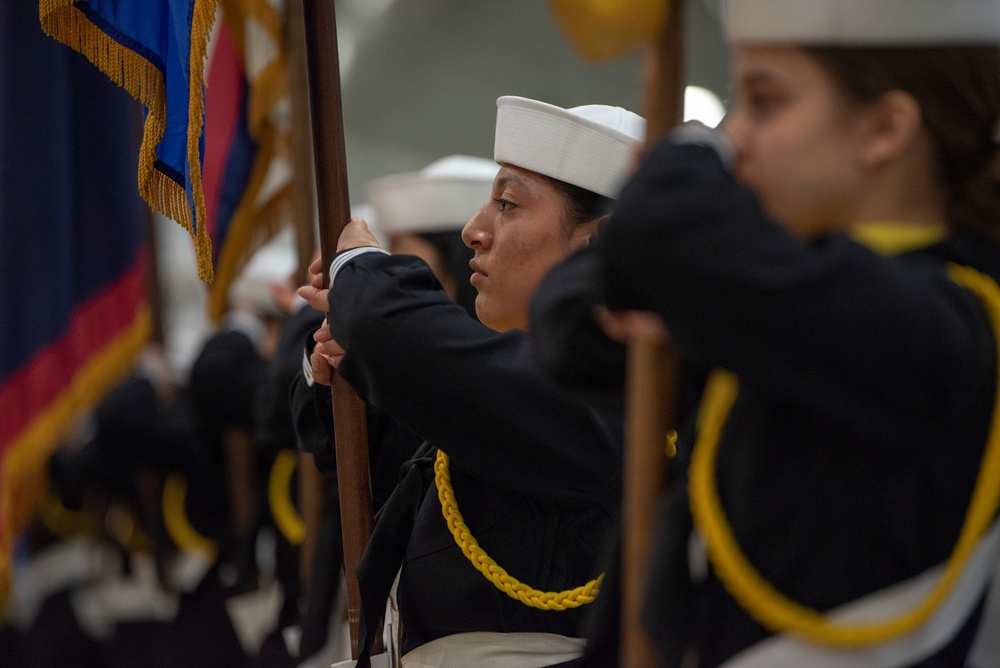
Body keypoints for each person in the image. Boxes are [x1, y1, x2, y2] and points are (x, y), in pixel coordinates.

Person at [577, 1, 1000, 665]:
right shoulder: (770, 291)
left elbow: (656, 236)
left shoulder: (949, 325)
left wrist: (690, 154)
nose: (737, 136)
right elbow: (570, 329)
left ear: (886, 128)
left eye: (764, 102)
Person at [298, 95, 644, 666]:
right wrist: (352, 369)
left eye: (507, 204)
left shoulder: (614, 388)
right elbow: (382, 478)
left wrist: (361, 273)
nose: (473, 231)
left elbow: (394, 331)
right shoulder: (499, 389)